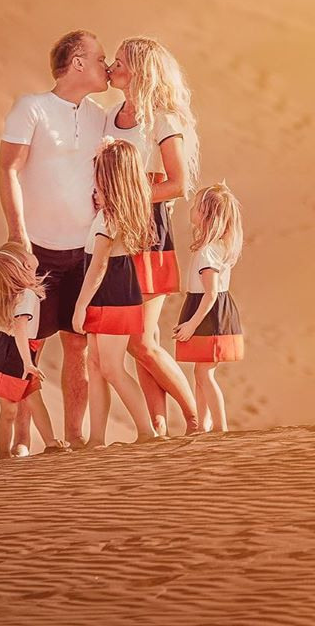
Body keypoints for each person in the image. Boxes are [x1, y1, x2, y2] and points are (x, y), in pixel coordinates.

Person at [0, 29, 108, 450]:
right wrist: (17, 238)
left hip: (84, 250)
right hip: (36, 248)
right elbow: (7, 168)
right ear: (77, 61)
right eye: (100, 58)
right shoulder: (32, 108)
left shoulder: (100, 115)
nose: (106, 65)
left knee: (78, 344)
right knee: (29, 343)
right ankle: (23, 442)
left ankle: (74, 439)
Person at [104, 36, 199, 434]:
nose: (112, 66)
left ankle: (195, 420)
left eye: (120, 61)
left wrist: (129, 198)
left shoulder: (163, 118)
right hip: (114, 235)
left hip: (148, 232)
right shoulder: (111, 115)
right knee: (144, 339)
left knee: (140, 341)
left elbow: (178, 184)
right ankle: (157, 428)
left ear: (140, 71)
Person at [72, 138, 156, 443]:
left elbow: (99, 268)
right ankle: (96, 439)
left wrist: (80, 306)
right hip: (106, 295)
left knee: (110, 367)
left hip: (113, 296)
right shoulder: (107, 213)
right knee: (95, 366)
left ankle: (148, 432)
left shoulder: (110, 219)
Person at [0, 241, 69, 457]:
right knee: (12, 408)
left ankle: (50, 443)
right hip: (14, 352)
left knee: (27, 401)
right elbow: (20, 329)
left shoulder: (15, 292)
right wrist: (28, 362)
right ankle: (6, 454)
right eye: (25, 254)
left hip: (5, 348)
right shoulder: (25, 295)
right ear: (23, 266)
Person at [174, 182, 245, 432]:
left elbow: (211, 293)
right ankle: (201, 426)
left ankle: (219, 427)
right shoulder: (216, 248)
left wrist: (191, 325)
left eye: (195, 207)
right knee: (200, 372)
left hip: (209, 316)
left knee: (205, 374)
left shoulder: (208, 252)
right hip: (207, 311)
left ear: (206, 215)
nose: (190, 210)